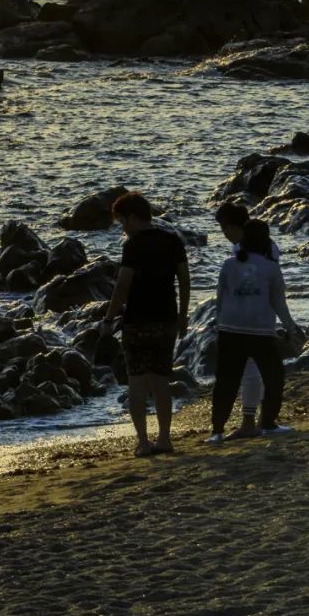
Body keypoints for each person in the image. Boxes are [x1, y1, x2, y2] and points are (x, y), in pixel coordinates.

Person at [100, 191, 190, 457]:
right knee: (161, 380)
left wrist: (108, 318)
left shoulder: (134, 245)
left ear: (131, 217)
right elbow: (184, 280)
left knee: (137, 382)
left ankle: (143, 442)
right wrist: (183, 316)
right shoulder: (172, 240)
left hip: (138, 320)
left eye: (122, 222)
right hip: (166, 319)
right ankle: (164, 439)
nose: (123, 229)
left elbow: (123, 285)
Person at [208, 219, 303, 446]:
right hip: (260, 332)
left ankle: (217, 431)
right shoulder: (271, 267)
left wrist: (218, 325)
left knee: (225, 381)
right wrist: (290, 326)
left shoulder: (229, 264)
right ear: (266, 241)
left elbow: (220, 299)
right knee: (274, 377)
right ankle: (268, 423)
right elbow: (278, 302)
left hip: (229, 330)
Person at [214, 201, 284, 439]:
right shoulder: (262, 250)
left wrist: (219, 320)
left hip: (245, 324)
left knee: (243, 374)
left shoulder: (243, 254)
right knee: (257, 373)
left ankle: (247, 422)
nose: (224, 234)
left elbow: (223, 292)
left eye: (225, 228)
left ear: (236, 228)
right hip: (257, 323)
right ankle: (255, 421)